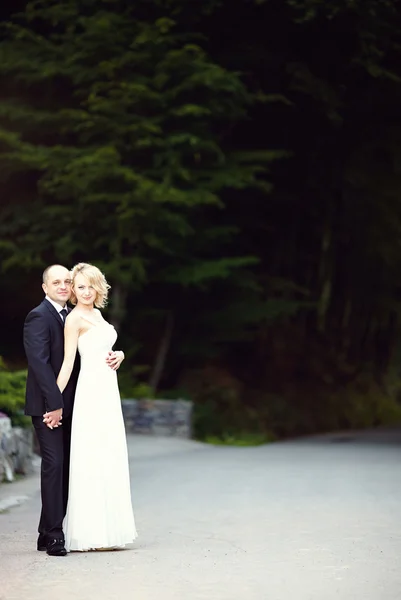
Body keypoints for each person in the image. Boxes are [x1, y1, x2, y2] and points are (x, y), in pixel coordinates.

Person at [57, 262, 137, 552]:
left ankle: (111, 531)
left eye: (90, 285)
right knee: (91, 457)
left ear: (98, 286)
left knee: (110, 454)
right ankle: (91, 534)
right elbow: (68, 363)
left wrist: (121, 354)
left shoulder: (100, 315)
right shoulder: (74, 319)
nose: (86, 291)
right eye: (80, 287)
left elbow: (107, 347)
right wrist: (53, 401)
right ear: (74, 291)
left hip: (108, 392)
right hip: (90, 393)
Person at [23, 264, 80, 556]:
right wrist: (54, 405)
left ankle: (45, 531)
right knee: (54, 465)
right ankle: (56, 534)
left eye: (68, 281)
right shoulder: (38, 317)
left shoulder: (73, 316)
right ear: (45, 287)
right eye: (56, 282)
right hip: (47, 407)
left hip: (74, 406)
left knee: (67, 468)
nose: (63, 286)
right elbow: (40, 364)